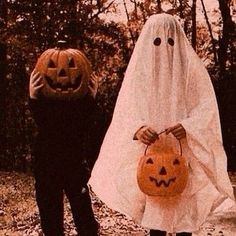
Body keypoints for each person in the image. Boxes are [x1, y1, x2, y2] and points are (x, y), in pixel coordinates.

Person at [89, 13, 236, 236]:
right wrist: (138, 129)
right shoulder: (139, 75)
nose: (164, 49)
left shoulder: (193, 73)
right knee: (156, 215)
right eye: (156, 42)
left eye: (170, 42)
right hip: (151, 159)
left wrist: (188, 127)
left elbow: (206, 110)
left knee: (184, 216)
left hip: (184, 156)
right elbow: (126, 111)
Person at [29, 69, 101, 236]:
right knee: (50, 216)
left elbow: (85, 122)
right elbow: (41, 121)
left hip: (73, 163)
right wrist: (33, 96)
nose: (61, 73)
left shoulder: (77, 107)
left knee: (83, 213)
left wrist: (91, 96)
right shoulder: (45, 104)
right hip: (46, 164)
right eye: (53, 67)